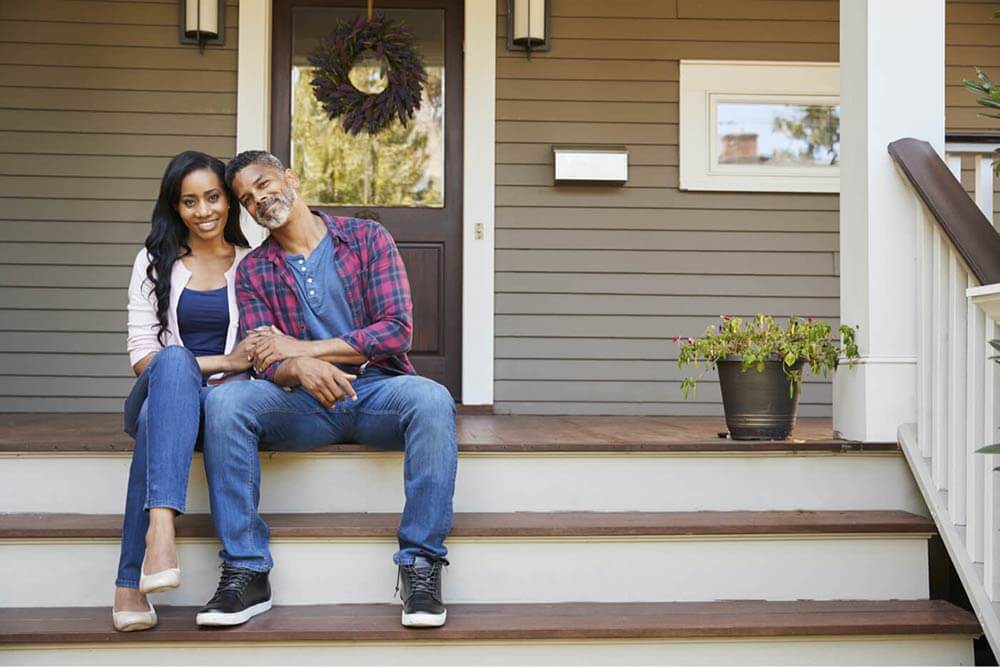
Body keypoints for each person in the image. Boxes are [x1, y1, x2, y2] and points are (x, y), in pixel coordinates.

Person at [194, 151, 457, 629]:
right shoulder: (255, 270)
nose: (260, 200)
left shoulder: (365, 237)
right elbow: (264, 359)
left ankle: (420, 566)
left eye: (265, 184)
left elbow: (396, 331)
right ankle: (246, 570)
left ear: (290, 178)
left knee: (433, 400)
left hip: (377, 391)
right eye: (247, 199)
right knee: (224, 401)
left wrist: (303, 350)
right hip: (301, 404)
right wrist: (298, 366)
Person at [113, 151, 253, 632]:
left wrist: (233, 371)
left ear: (229, 201)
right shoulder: (153, 262)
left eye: (213, 197)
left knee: (159, 423)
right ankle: (163, 531)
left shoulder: (254, 266)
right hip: (159, 389)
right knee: (172, 362)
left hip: (218, 405)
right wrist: (224, 361)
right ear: (175, 208)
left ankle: (131, 580)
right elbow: (141, 358)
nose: (204, 210)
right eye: (189, 201)